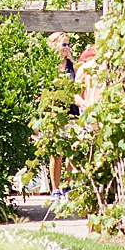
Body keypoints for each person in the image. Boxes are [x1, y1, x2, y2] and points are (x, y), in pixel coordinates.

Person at [46, 30, 76, 198]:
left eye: (68, 44)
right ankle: (55, 188)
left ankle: (67, 185)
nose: (67, 48)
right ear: (55, 45)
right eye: (64, 44)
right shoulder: (49, 67)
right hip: (54, 112)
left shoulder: (72, 66)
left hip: (71, 112)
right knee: (55, 153)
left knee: (71, 150)